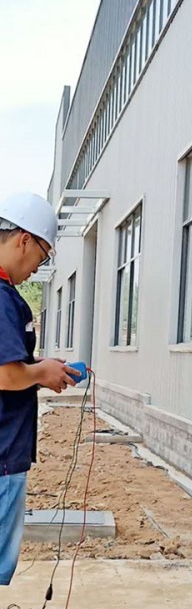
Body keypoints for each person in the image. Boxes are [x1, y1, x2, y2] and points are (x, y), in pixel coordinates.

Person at [0, 192, 79, 585]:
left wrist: (44, 369)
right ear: (23, 239)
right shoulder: (0, 298)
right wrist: (40, 372)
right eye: (42, 256)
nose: (37, 268)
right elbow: (4, 374)